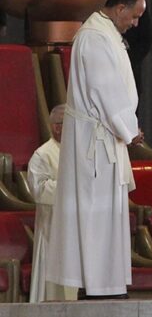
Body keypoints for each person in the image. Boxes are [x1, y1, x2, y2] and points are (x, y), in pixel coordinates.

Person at [47, 0, 146, 299]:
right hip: (96, 139)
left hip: (106, 134)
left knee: (106, 212)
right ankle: (96, 285)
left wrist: (127, 128)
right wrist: (129, 130)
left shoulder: (105, 34)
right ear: (119, 8)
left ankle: (107, 283)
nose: (136, 23)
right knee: (95, 212)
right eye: (134, 15)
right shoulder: (94, 37)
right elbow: (106, 90)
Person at [27, 105, 77, 302]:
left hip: (75, 228)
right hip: (52, 230)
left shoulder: (77, 153)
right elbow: (38, 190)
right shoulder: (42, 154)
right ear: (57, 127)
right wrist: (71, 186)